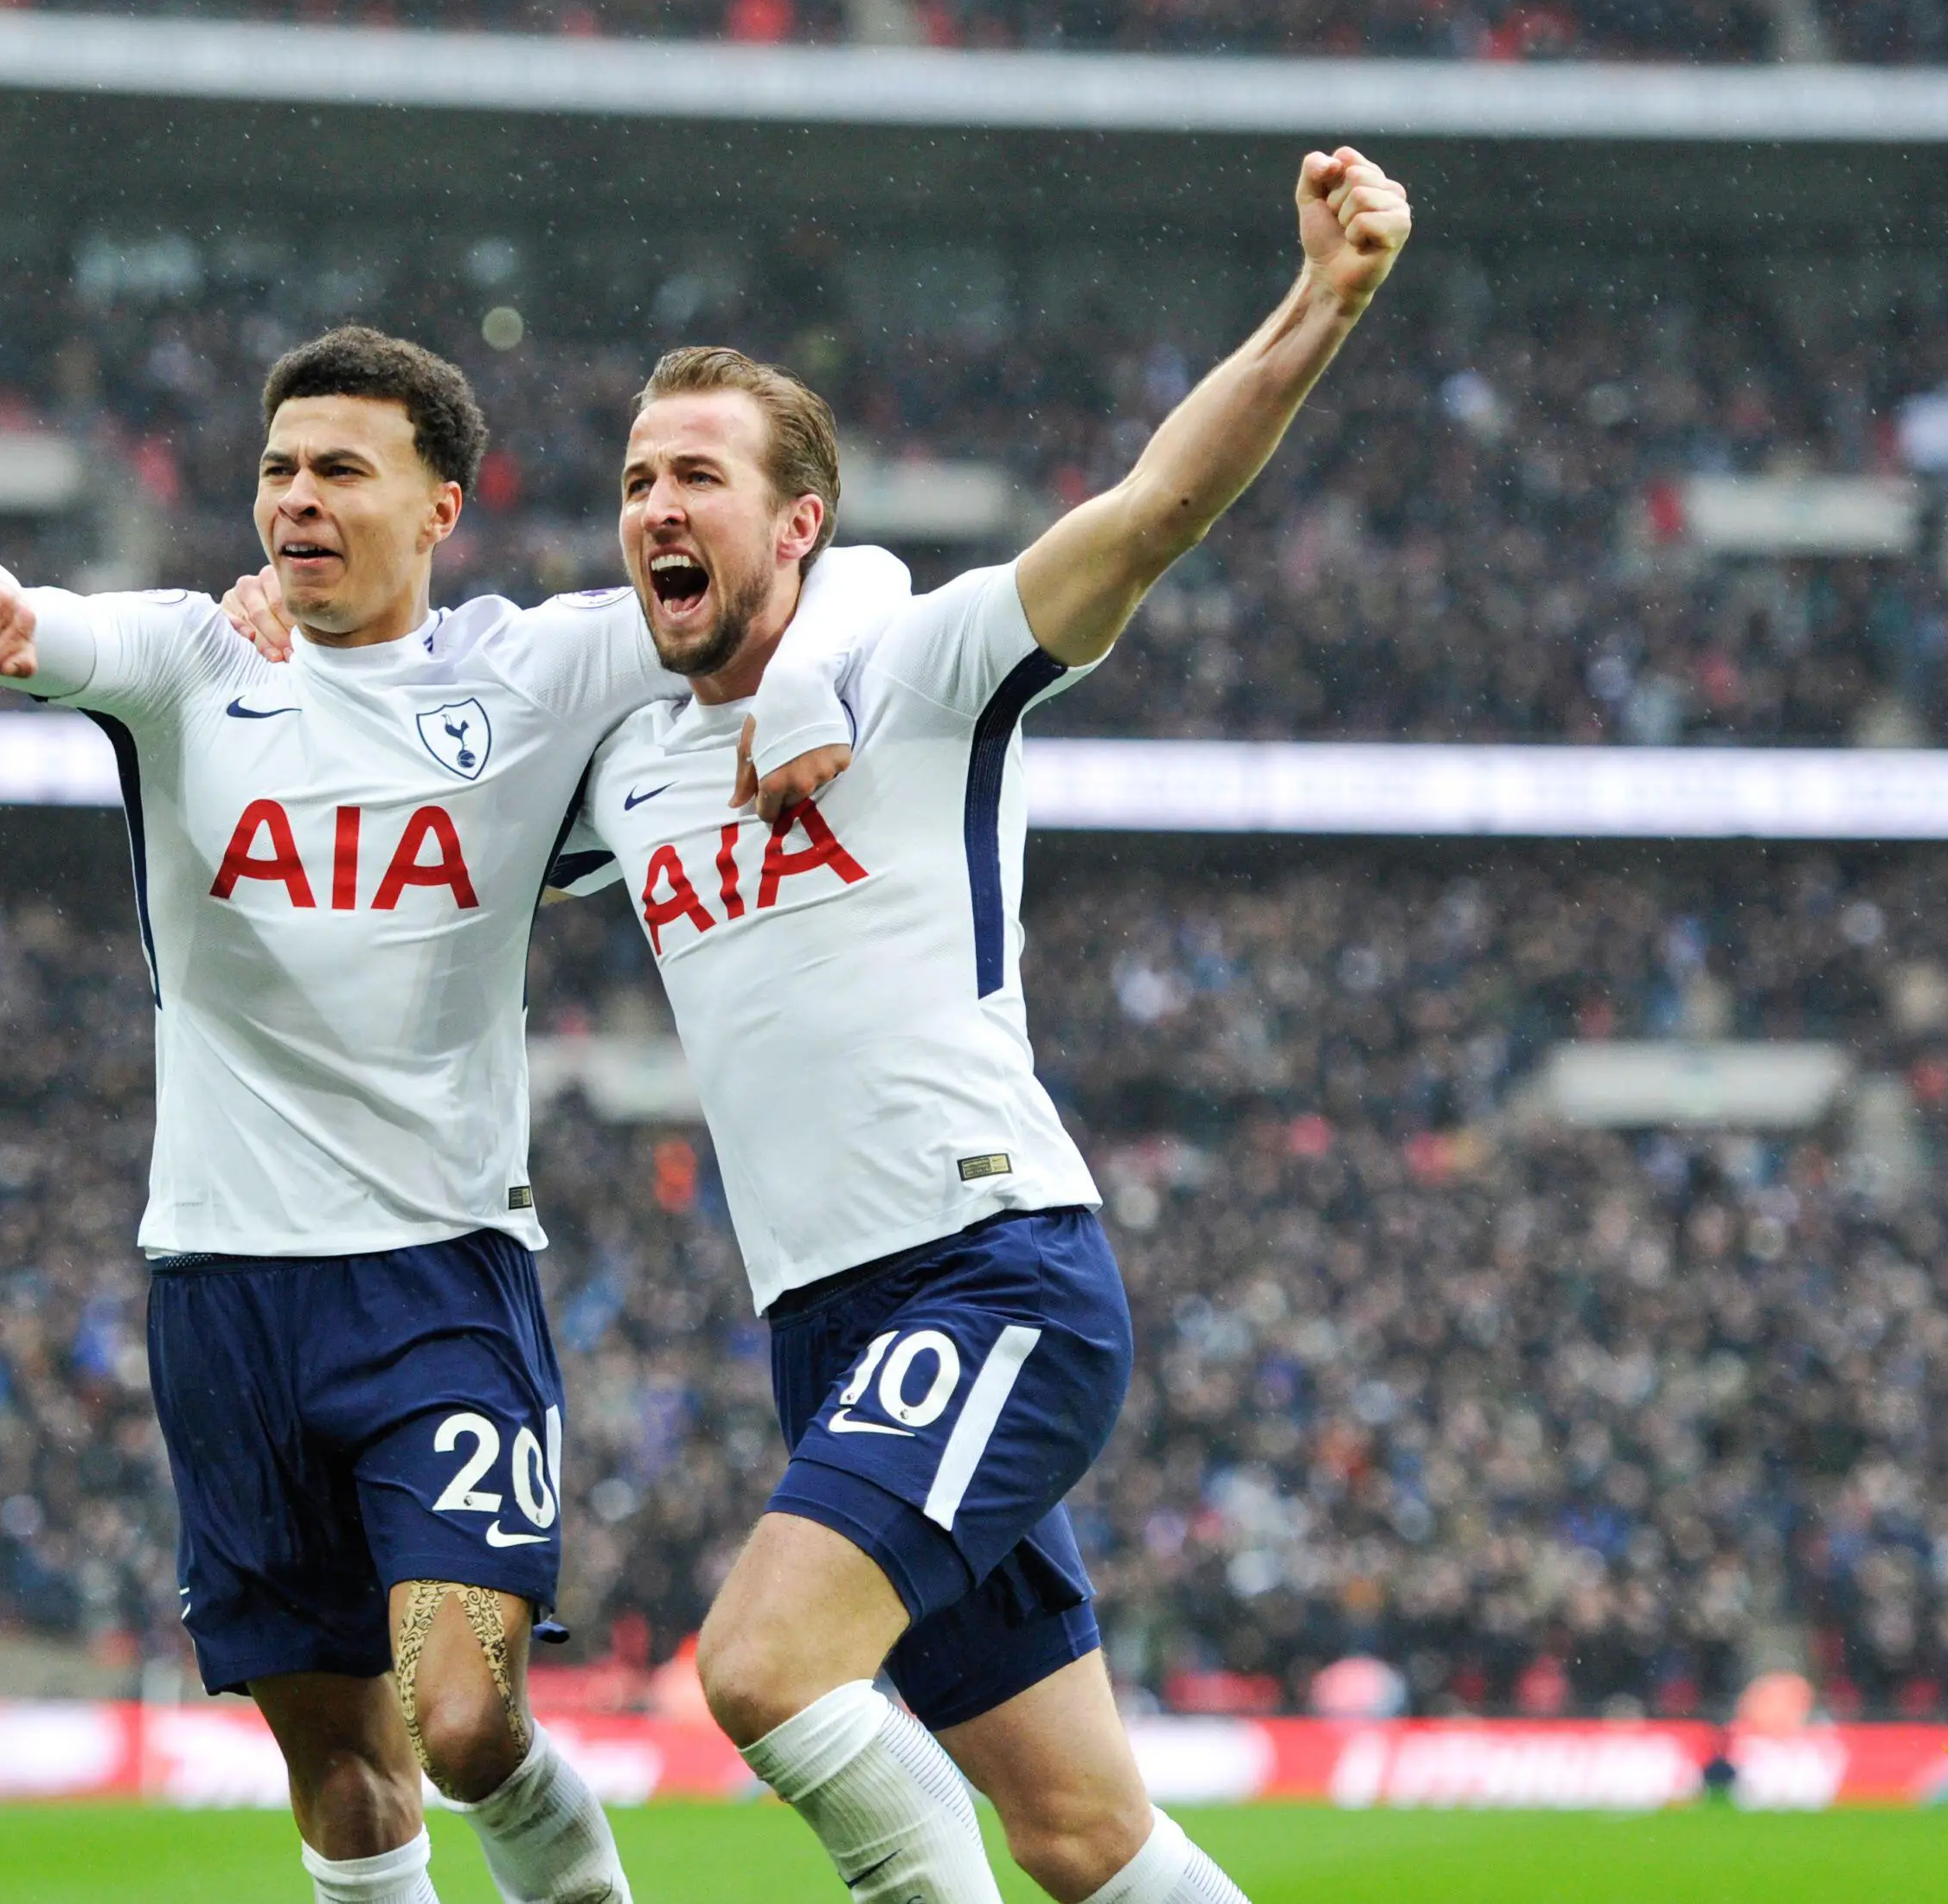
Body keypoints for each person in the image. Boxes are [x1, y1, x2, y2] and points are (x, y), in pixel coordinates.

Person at [0, 325, 901, 1904]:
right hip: (221, 1291)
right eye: (276, 470)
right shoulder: (188, 659)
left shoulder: (537, 666)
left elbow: (854, 572)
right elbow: (14, 621)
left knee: (460, 1712)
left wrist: (818, 682)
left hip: (435, 1283)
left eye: (339, 470)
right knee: (344, 1767)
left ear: (440, 508)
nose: (295, 498)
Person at [556, 149, 1413, 1903]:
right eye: (636, 478)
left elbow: (1148, 510)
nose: (654, 506)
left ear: (795, 522)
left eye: (697, 476)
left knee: (763, 1667)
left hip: (986, 1267)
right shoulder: (624, 761)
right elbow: (422, 754)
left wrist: (1318, 304)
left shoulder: (918, 666)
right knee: (1082, 1830)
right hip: (826, 1328)